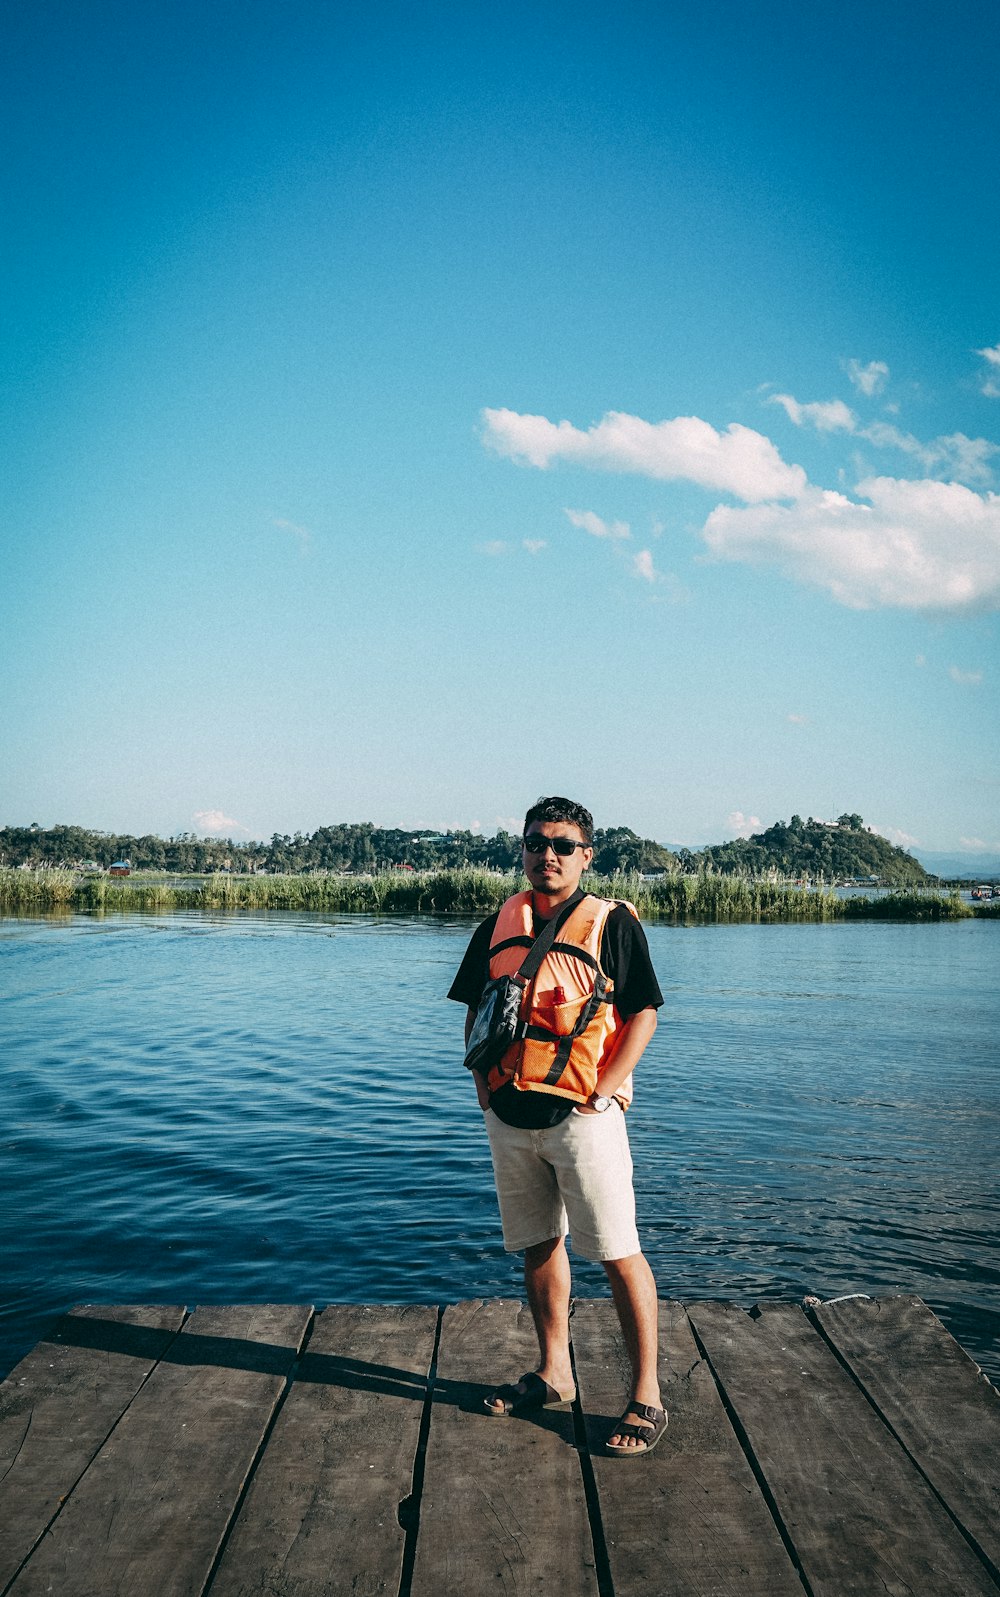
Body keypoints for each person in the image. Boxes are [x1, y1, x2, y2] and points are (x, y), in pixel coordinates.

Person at [448, 796, 666, 1456]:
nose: (549, 854)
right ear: (522, 849)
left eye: (564, 845)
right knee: (539, 1244)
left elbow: (646, 1013)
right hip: (510, 1114)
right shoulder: (497, 924)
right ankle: (554, 1371)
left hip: (581, 1114)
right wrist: (481, 1086)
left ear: (586, 855)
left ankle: (647, 1393)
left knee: (618, 1251)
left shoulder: (612, 925)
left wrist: (603, 1090)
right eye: (537, 842)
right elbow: (477, 1010)